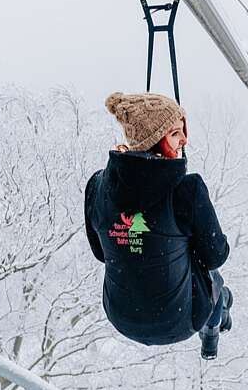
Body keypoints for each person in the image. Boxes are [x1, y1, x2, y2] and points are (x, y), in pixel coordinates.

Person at [84, 92, 233, 351]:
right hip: (181, 320)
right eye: (175, 133)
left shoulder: (97, 186)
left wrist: (135, 239)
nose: (184, 140)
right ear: (154, 141)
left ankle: (218, 312)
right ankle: (214, 324)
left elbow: (100, 253)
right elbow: (216, 256)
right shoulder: (187, 190)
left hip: (121, 316)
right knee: (213, 275)